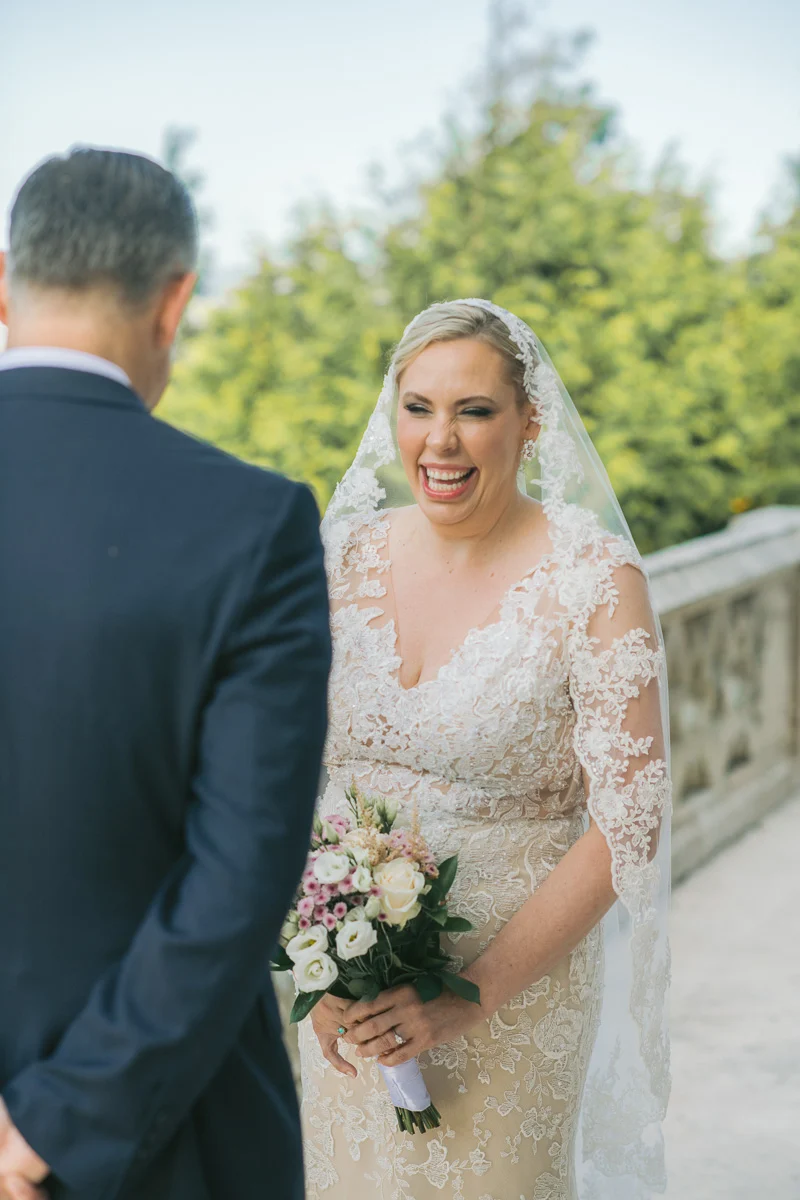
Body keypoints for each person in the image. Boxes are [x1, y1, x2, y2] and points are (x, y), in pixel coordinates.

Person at [0, 148, 331, 1200]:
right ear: (174, 299)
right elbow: (238, 872)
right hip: (162, 1141)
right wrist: (53, 1125)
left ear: (3, 281)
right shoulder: (251, 523)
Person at [300, 300, 672, 1200]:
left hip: (516, 991)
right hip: (351, 1003)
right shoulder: (336, 561)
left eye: (474, 411)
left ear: (530, 421)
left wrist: (467, 994)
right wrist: (321, 964)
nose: (441, 441)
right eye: (418, 407)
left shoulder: (593, 577)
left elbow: (629, 816)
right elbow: (279, 773)